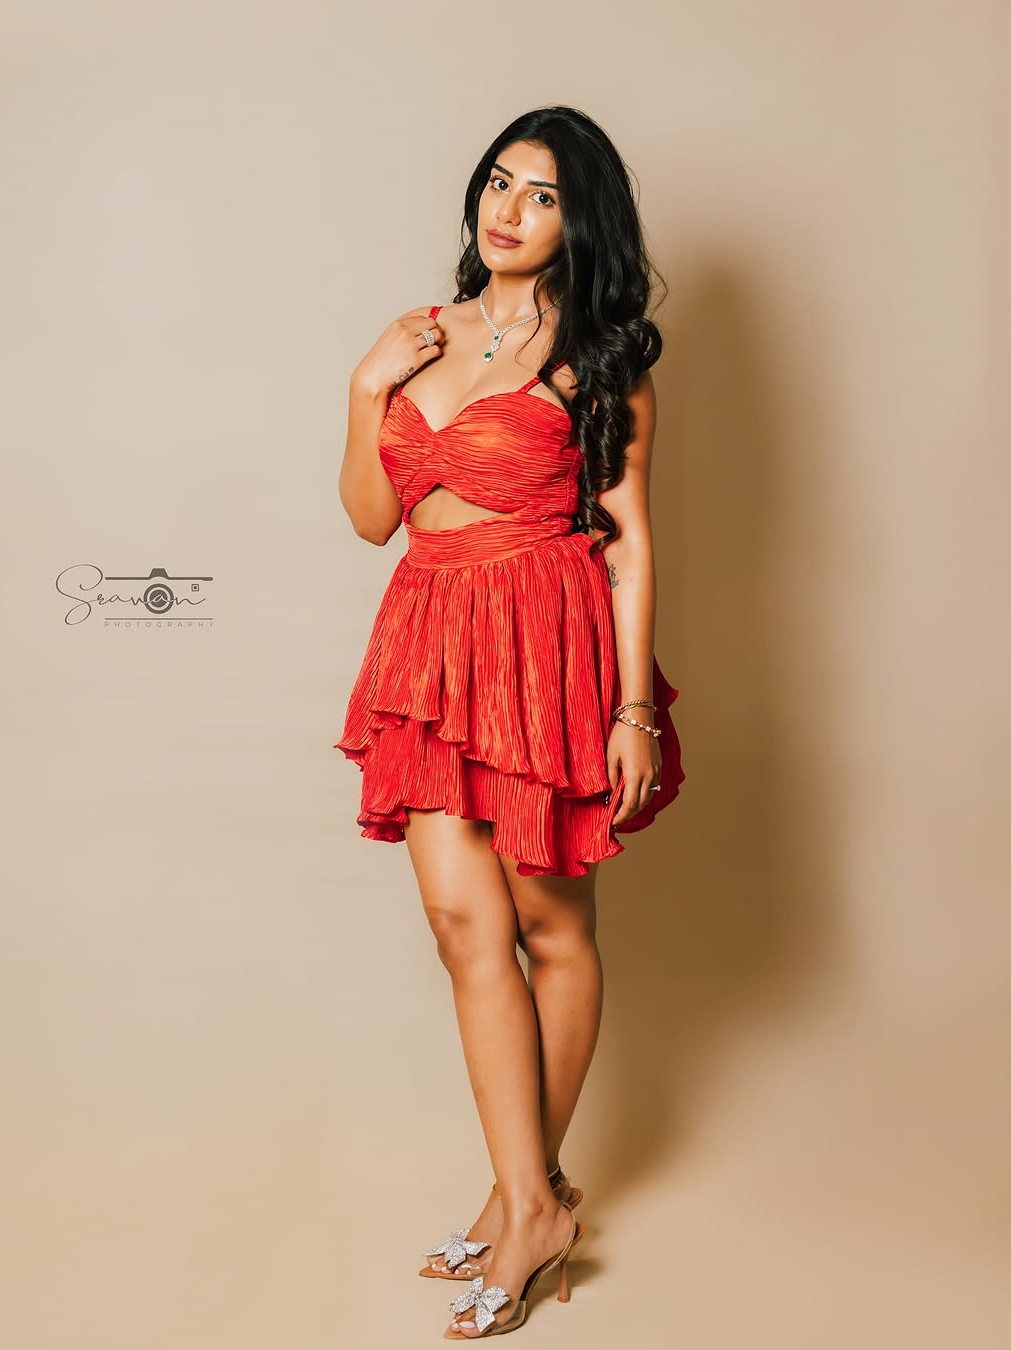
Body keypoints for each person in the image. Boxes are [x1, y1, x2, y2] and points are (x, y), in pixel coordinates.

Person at [333, 105, 685, 1339]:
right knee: (460, 923)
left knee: (549, 922)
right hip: (430, 642)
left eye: (542, 194)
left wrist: (633, 711)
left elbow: (629, 543)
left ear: (580, 221)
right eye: (499, 181)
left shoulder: (601, 360)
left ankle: (523, 1205)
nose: (509, 209)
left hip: (544, 642)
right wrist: (367, 384)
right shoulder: (422, 339)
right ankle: (532, 1199)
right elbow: (372, 518)